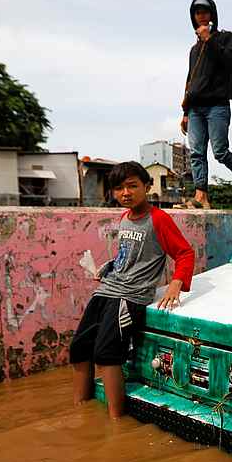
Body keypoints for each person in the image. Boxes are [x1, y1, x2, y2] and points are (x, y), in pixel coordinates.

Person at [70, 162, 195, 419]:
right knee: (79, 348)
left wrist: (176, 283)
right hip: (108, 288)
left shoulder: (158, 219)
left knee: (106, 354)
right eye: (119, 188)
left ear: (147, 187)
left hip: (131, 295)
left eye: (132, 186)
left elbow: (184, 253)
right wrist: (107, 267)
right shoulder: (124, 218)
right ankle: (80, 408)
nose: (126, 193)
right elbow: (126, 256)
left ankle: (116, 420)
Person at [180, 0, 232, 209]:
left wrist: (209, 39)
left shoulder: (226, 37)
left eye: (205, 11)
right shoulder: (194, 50)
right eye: (197, 12)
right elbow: (191, 80)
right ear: (193, 18)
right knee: (196, 152)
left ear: (212, 14)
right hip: (195, 108)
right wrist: (185, 112)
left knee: (220, 152)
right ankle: (201, 197)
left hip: (217, 105)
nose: (201, 15)